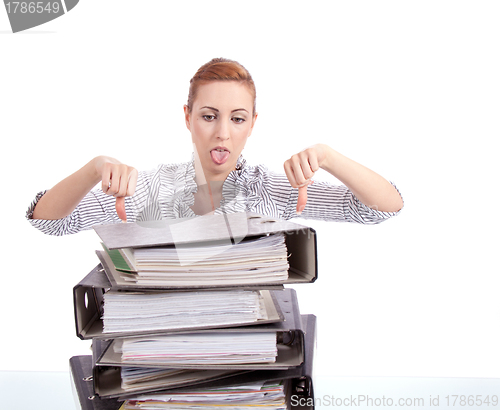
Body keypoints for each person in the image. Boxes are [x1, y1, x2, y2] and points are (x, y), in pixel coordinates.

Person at [26, 58, 403, 235]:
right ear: (188, 117)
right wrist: (95, 167)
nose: (222, 133)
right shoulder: (149, 188)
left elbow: (383, 208)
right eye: (209, 116)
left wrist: (328, 156)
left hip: (250, 357)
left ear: (252, 125)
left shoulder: (272, 191)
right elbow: (50, 221)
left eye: (237, 119)